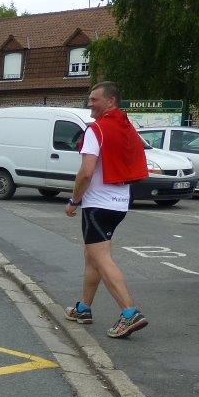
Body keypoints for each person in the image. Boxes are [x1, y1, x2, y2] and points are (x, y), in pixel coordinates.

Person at [64, 81, 149, 339]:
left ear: (111, 101)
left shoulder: (96, 129)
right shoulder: (127, 128)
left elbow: (86, 172)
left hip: (97, 205)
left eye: (94, 100)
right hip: (120, 203)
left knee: (100, 258)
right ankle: (84, 308)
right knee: (93, 257)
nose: (90, 104)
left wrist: (74, 201)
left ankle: (129, 313)